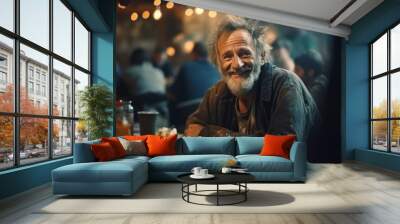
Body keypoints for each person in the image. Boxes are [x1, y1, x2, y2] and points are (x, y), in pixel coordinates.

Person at [185, 17, 318, 141]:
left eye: (244, 54)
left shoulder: (285, 85)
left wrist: (213, 134)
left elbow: (280, 151)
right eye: (227, 57)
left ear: (261, 56)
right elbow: (192, 128)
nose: (237, 64)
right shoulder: (217, 93)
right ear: (218, 63)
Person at [169, 42, 220, 128]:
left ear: (194, 54)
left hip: (189, 109)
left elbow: (173, 93)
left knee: (170, 100)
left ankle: (173, 132)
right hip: (211, 111)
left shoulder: (186, 67)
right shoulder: (215, 69)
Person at [123, 48, 168, 126]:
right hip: (163, 113)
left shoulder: (130, 71)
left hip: (141, 113)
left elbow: (124, 89)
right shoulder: (159, 72)